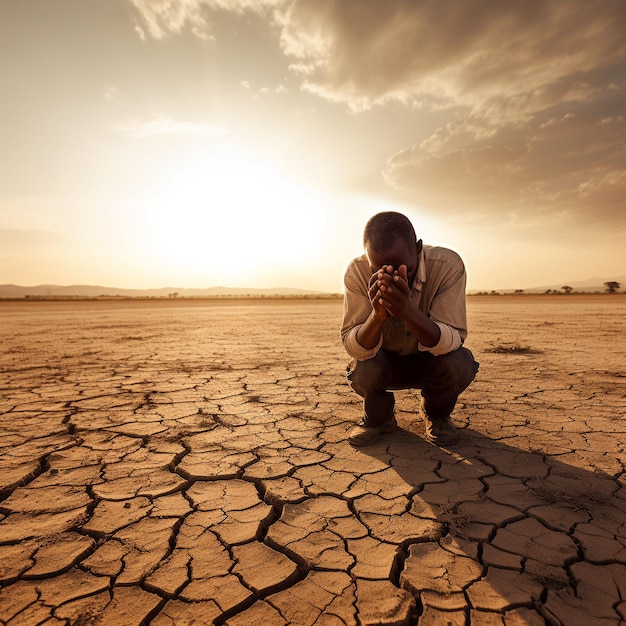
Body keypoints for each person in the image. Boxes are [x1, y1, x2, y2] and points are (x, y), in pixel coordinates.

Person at [341, 211, 479, 446]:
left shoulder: (447, 265)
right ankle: (378, 419)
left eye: (403, 268)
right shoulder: (357, 271)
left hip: (431, 362)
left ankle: (436, 416)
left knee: (460, 362)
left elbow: (451, 340)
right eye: (380, 269)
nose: (394, 277)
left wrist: (408, 312)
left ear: (417, 248)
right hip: (384, 362)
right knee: (364, 368)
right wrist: (377, 316)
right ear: (368, 258)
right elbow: (356, 348)